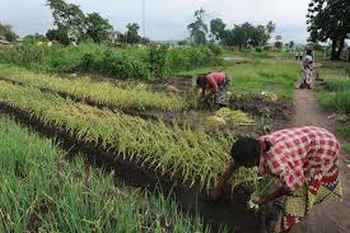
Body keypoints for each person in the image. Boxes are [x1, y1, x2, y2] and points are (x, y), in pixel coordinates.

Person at [212, 126, 343, 233]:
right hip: (312, 135)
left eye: (245, 164)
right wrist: (219, 187)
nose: (244, 167)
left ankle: (289, 224)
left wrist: (264, 199)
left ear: (253, 160)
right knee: (282, 178)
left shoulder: (277, 164)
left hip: (324, 147)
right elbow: (234, 164)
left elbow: (290, 186)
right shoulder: (257, 145)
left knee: (299, 193)